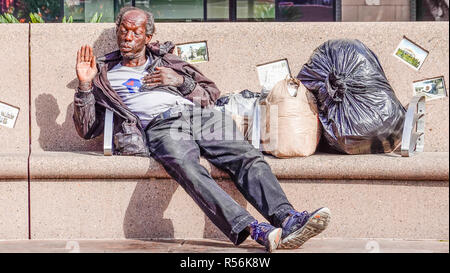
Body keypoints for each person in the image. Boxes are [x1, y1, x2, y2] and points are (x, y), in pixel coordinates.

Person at [73, 6, 330, 252]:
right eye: (123, 30)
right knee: (190, 170)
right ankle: (253, 229)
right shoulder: (105, 73)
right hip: (162, 125)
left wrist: (181, 81)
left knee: (247, 156)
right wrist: (85, 85)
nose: (127, 37)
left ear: (148, 36)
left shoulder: (168, 60)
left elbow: (211, 95)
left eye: (136, 32)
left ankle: (288, 219)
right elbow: (87, 129)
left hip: (200, 116)